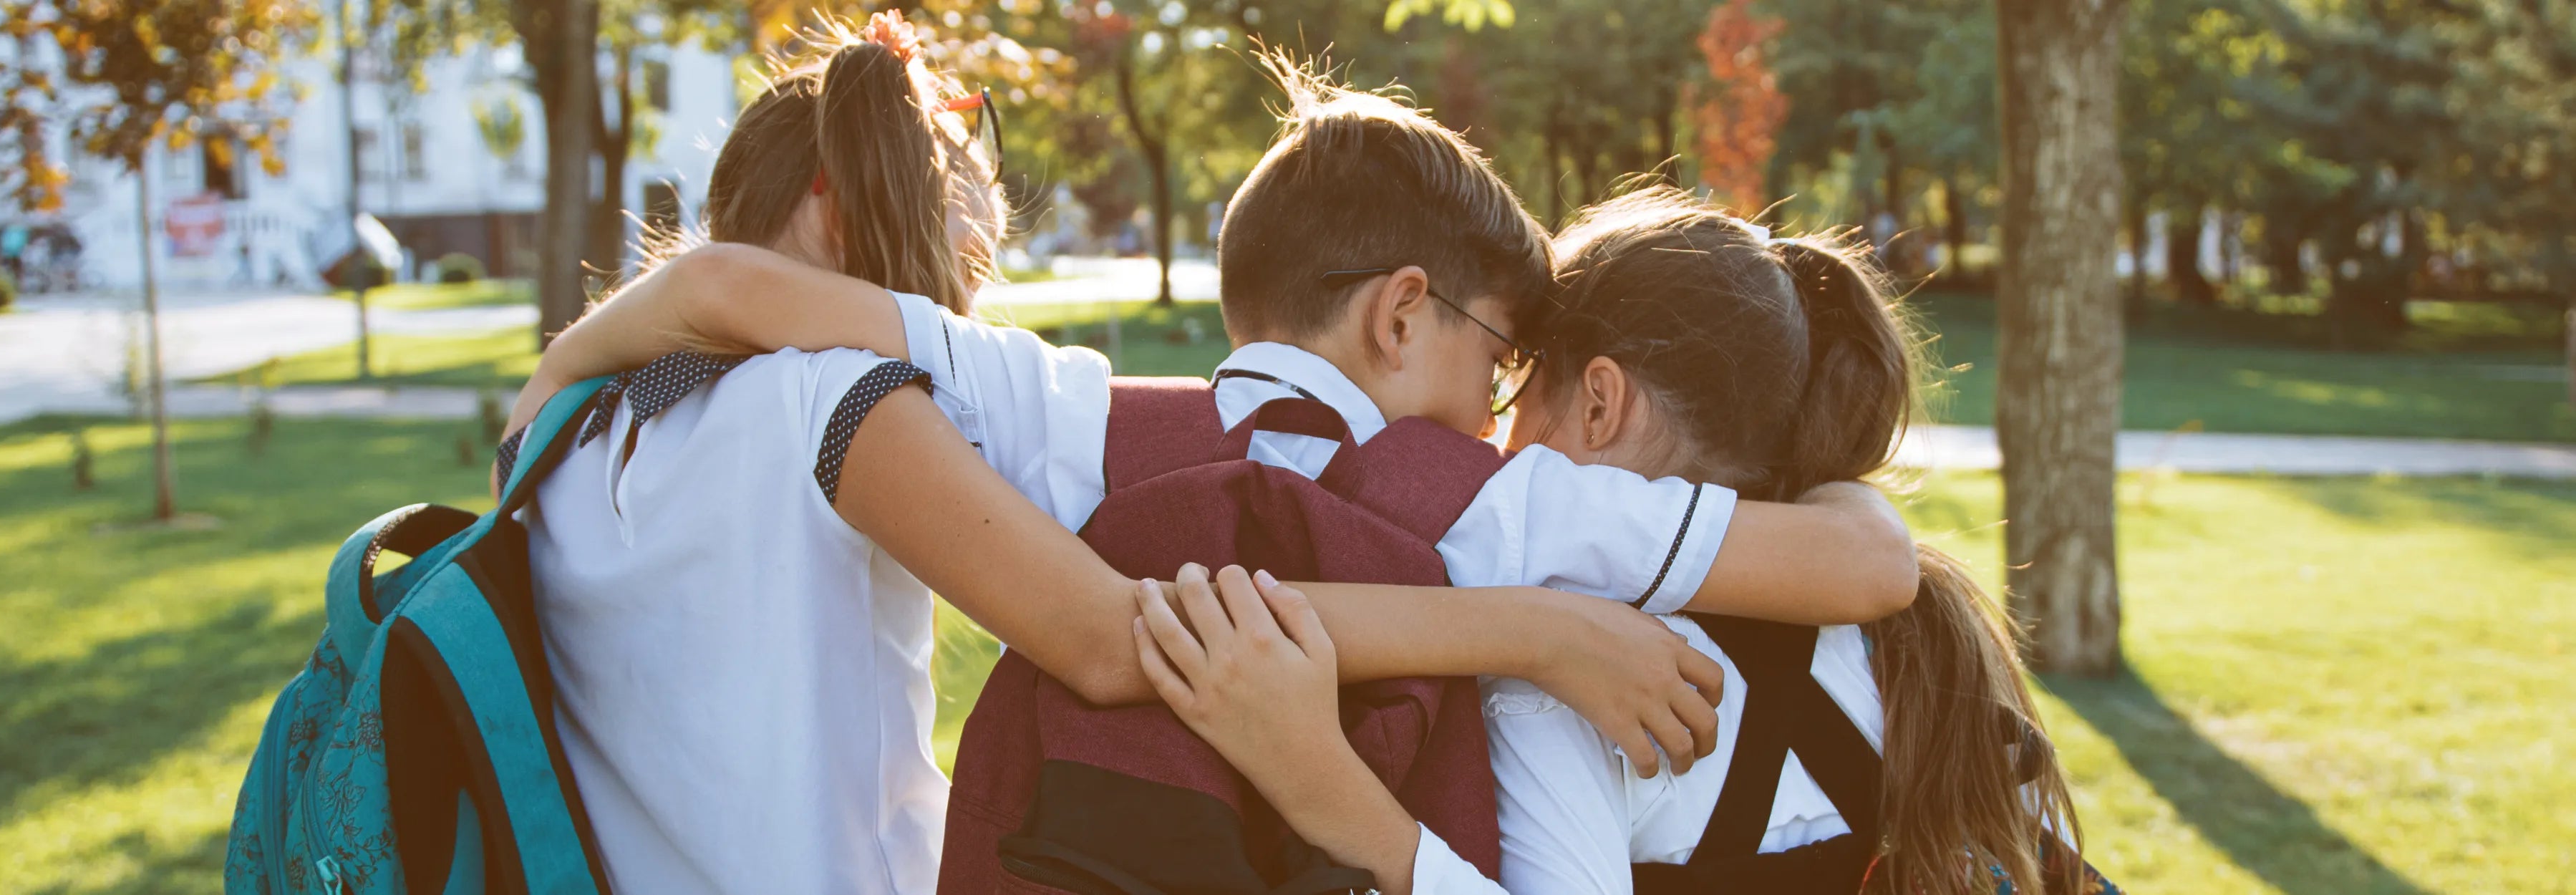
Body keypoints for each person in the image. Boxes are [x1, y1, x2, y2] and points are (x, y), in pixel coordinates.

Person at [520, 54, 1927, 892]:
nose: (1495, 414)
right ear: (1402, 311)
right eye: (1497, 364)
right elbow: (1110, 633)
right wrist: (1553, 625)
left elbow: (718, 287)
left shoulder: (582, 441)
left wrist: (546, 381)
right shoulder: (837, 396)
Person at [1133, 189, 2113, 894]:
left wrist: (1325, 787)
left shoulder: (1579, 678)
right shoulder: (1899, 638)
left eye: (1514, 392)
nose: (1487, 435)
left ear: (1598, 401)